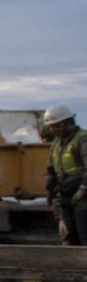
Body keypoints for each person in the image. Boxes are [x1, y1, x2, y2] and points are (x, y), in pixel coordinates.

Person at [44, 104, 87, 245]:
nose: (53, 130)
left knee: (84, 237)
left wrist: (82, 191)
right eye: (51, 126)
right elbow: (51, 172)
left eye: (56, 126)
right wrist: (50, 194)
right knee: (68, 240)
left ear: (68, 123)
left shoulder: (82, 139)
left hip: (83, 198)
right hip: (65, 197)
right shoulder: (56, 145)